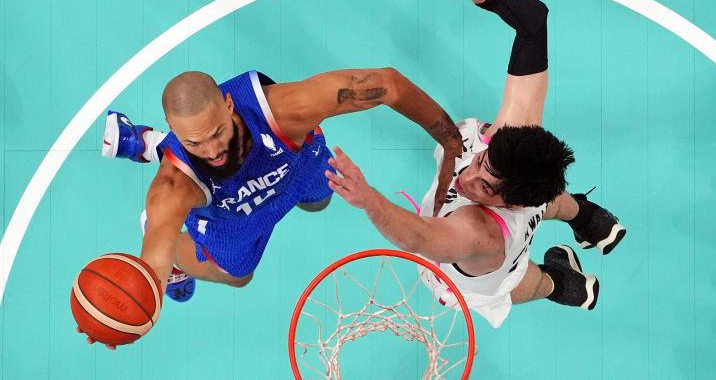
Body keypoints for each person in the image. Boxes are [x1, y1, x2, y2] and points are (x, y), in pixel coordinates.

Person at [81, 67, 465, 348]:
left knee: (319, 202)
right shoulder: (174, 189)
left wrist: (451, 142)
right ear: (176, 129)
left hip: (298, 165)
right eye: (194, 143)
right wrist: (124, 316)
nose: (213, 151)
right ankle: (154, 151)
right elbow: (151, 268)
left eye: (217, 132)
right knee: (237, 276)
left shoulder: (284, 112)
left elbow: (388, 85)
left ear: (229, 104)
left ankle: (149, 142)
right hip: (229, 216)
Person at [324, 0, 626, 328]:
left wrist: (369, 200)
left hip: (484, 269)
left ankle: (566, 285)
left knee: (522, 282)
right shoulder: (516, 142)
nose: (467, 178)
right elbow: (532, 23)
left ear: (512, 203)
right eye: (482, 161)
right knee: (545, 188)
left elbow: (419, 236)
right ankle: (591, 221)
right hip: (527, 199)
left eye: (484, 185)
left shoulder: (478, 234)